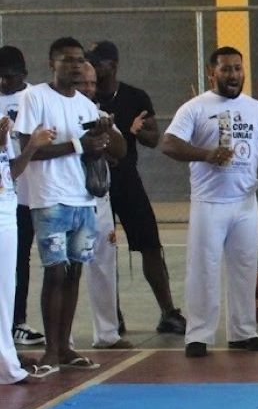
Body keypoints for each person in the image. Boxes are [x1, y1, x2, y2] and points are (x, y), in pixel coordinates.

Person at [161, 46, 258, 359]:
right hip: (209, 203)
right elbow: (169, 143)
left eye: (237, 69)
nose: (233, 75)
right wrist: (205, 154)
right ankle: (199, 335)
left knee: (245, 267)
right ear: (211, 73)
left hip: (245, 203)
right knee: (204, 269)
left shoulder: (256, 109)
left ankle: (243, 332)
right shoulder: (195, 108)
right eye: (226, 69)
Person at [14, 38, 117, 372]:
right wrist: (78, 144)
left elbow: (98, 150)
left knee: (74, 272)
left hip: (83, 198)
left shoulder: (86, 106)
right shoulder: (35, 97)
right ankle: (51, 351)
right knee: (55, 272)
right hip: (50, 198)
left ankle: (65, 346)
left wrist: (102, 138)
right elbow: (27, 150)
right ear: (51, 63)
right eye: (66, 60)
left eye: (78, 60)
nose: (74, 65)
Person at [87, 41, 185, 335]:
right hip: (93, 184)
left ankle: (168, 311)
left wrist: (142, 131)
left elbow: (154, 138)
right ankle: (111, 316)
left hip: (127, 181)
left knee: (151, 245)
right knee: (102, 251)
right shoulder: (84, 98)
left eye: (97, 63)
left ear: (113, 65)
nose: (91, 68)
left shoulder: (134, 97)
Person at [0, 91, 56, 382]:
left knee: (5, 292)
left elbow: (10, 172)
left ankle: (6, 358)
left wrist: (31, 146)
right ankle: (7, 366)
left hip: (6, 210)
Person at [75, 63, 131, 351]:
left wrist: (109, 132)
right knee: (66, 270)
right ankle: (63, 340)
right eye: (83, 83)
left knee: (105, 265)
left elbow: (121, 151)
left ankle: (107, 333)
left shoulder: (98, 114)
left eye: (92, 83)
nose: (88, 89)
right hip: (69, 201)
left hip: (100, 200)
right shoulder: (57, 110)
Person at [0, 45, 44, 347]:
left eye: (9, 77)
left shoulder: (34, 97)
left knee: (20, 259)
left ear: (24, 74)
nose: (3, 83)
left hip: (30, 188)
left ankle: (18, 321)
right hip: (5, 187)